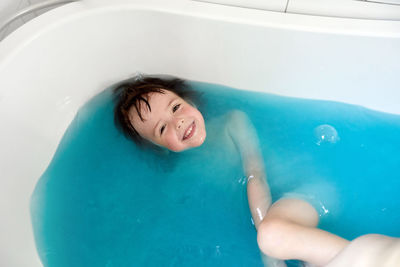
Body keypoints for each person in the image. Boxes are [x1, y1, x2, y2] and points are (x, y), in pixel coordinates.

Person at [113, 74, 400, 267]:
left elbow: (256, 175)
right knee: (308, 255)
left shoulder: (231, 123)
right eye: (162, 128)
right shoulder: (183, 176)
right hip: (286, 210)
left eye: (176, 107)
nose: (177, 123)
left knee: (275, 237)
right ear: (159, 148)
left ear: (190, 101)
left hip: (307, 190)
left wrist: (269, 254)